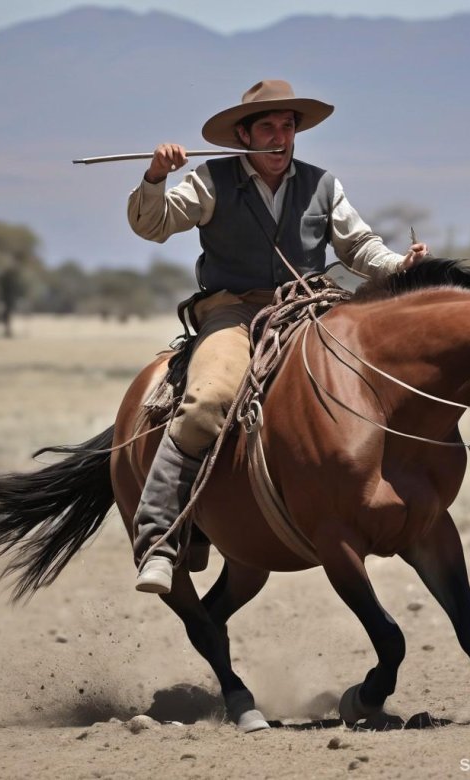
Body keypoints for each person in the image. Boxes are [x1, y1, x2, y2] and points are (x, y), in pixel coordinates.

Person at [127, 79, 429, 594]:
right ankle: (159, 540)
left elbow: (360, 247)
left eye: (287, 126)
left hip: (312, 307)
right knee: (208, 401)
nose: (278, 136)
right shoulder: (209, 181)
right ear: (243, 135)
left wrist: (399, 265)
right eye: (266, 126)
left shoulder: (322, 185)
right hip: (236, 314)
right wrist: (155, 177)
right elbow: (151, 225)